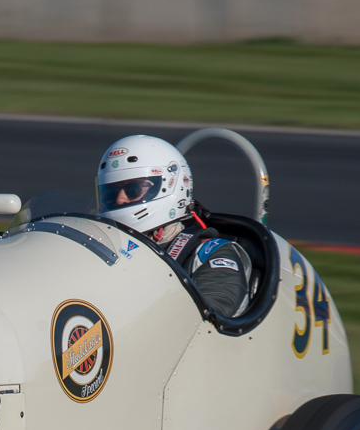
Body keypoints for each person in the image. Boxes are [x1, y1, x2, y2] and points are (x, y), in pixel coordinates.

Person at [95, 134, 252, 317]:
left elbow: (214, 310)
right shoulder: (104, 244)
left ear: (170, 185)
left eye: (133, 190)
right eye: (111, 193)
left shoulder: (211, 253)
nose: (120, 199)